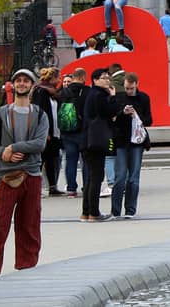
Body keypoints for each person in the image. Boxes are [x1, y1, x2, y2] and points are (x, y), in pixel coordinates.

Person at [0, 69, 48, 277]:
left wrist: (14, 147)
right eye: (18, 80)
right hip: (6, 176)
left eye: (25, 81)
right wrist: (4, 153)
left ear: (32, 86)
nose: (21, 84)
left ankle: (26, 267)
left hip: (32, 175)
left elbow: (40, 143)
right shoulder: (1, 113)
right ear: (12, 85)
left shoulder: (39, 114)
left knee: (30, 225)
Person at [111, 72, 153, 217]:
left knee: (133, 178)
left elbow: (149, 120)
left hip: (137, 142)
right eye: (127, 88)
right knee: (120, 176)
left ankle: (130, 209)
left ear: (137, 85)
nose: (129, 91)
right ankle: (115, 210)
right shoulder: (119, 98)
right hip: (122, 141)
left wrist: (137, 115)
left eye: (131, 88)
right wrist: (123, 112)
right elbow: (113, 118)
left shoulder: (143, 98)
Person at [79, 68, 119, 220]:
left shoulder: (91, 93)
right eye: (104, 78)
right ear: (95, 80)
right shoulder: (99, 95)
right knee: (96, 176)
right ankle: (94, 212)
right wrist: (113, 97)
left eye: (108, 78)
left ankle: (86, 211)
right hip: (95, 141)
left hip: (87, 140)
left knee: (90, 177)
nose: (107, 80)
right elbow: (109, 111)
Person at [30, 68, 65, 196]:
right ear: (52, 78)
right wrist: (44, 131)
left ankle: (52, 186)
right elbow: (39, 111)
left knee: (52, 159)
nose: (59, 80)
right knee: (41, 159)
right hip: (46, 132)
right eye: (58, 77)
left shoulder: (53, 93)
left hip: (55, 131)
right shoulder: (41, 92)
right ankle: (35, 187)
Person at [55, 68, 88, 198]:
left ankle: (71, 189)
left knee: (70, 161)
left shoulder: (63, 92)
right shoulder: (86, 91)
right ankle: (86, 186)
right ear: (83, 77)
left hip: (67, 131)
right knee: (85, 161)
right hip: (83, 131)